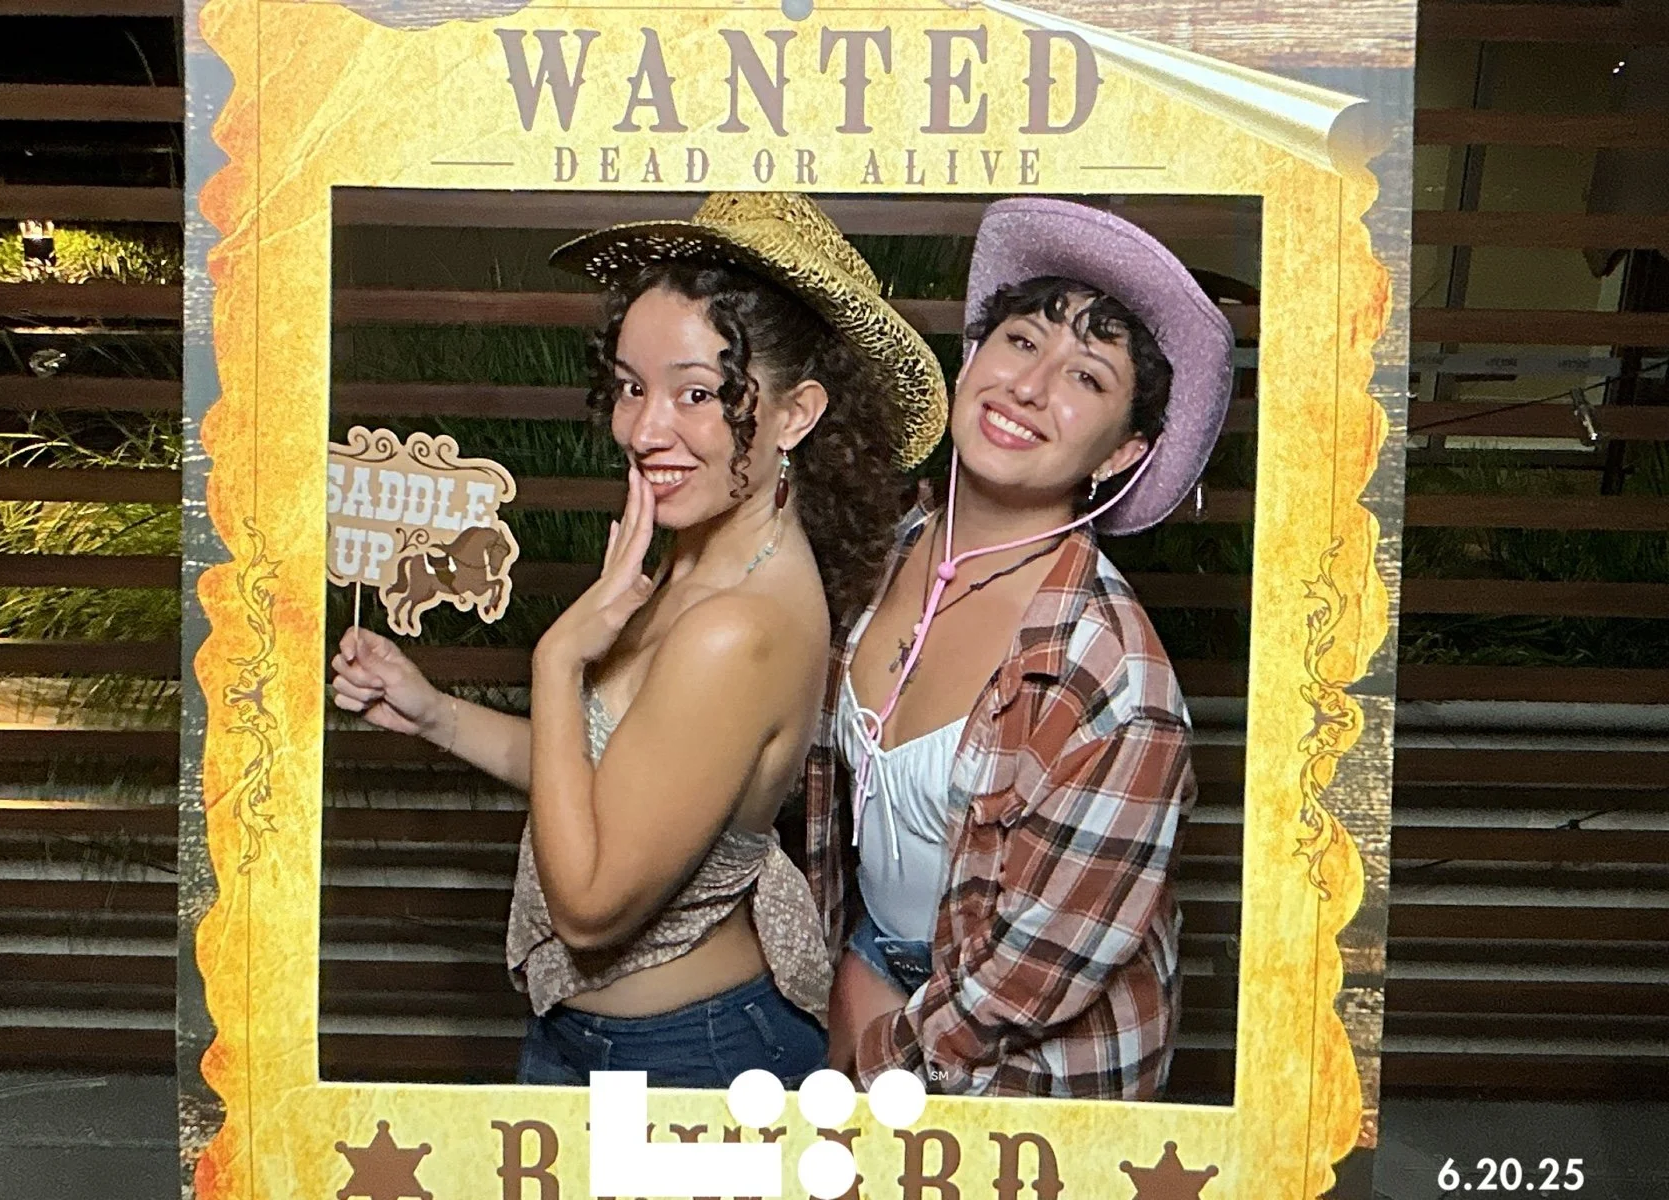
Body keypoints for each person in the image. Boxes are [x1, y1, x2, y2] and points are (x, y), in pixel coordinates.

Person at [330, 192, 946, 1088]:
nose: (645, 430)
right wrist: (436, 715)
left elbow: (587, 910)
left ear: (795, 414)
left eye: (698, 393)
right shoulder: (697, 562)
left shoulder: (737, 629)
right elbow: (609, 776)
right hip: (597, 1043)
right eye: (631, 386)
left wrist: (556, 660)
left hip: (685, 1062)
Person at [805, 198, 1235, 1098]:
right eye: (1022, 340)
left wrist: (869, 1049)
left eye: (1088, 379)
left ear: (1122, 456)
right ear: (972, 356)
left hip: (1022, 1068)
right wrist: (844, 970)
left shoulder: (1114, 680)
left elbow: (1026, 981)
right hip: (868, 975)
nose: (1032, 388)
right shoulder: (881, 550)